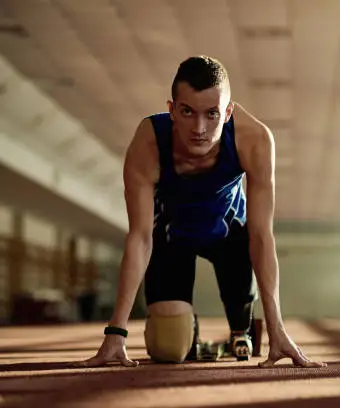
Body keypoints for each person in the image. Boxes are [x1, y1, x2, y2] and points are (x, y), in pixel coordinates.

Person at [76, 55, 325, 369]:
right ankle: (190, 334)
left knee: (243, 325)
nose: (199, 128)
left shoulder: (255, 140)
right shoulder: (149, 142)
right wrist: (116, 332)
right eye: (187, 112)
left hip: (229, 235)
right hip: (171, 235)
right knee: (168, 349)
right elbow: (140, 237)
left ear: (228, 112)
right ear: (172, 110)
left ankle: (243, 327)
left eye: (212, 114)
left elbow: (262, 236)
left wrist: (277, 327)